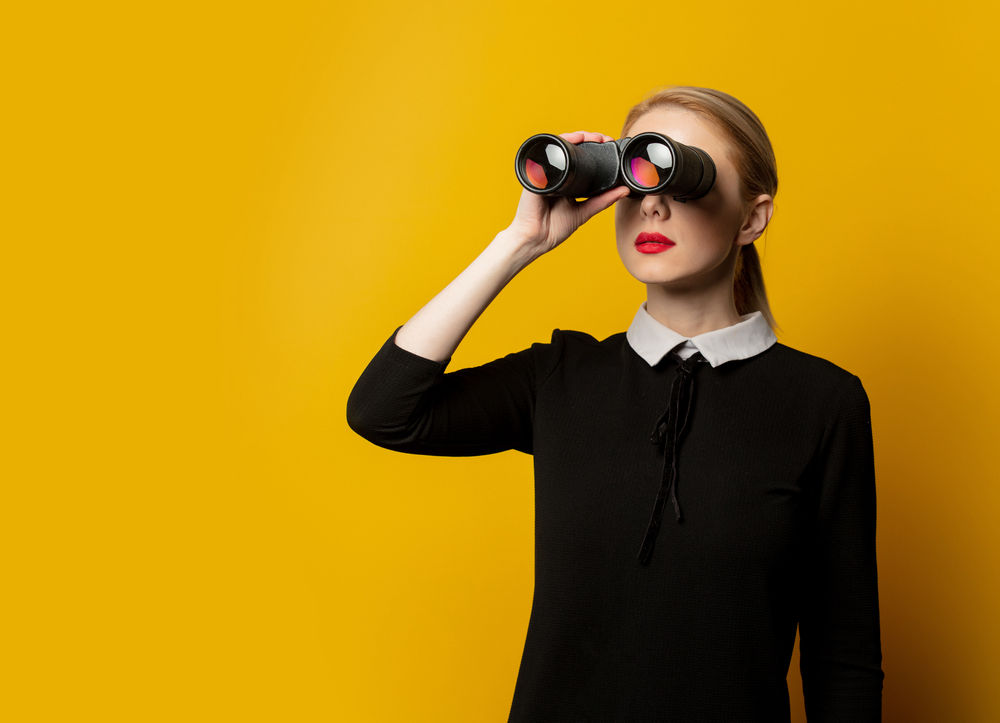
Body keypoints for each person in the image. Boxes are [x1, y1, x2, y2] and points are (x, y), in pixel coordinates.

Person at [346, 86, 884, 721]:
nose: (652, 203)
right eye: (634, 175)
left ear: (751, 218)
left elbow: (842, 654)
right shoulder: (562, 379)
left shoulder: (822, 402)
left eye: (683, 176)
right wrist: (520, 241)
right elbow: (384, 410)